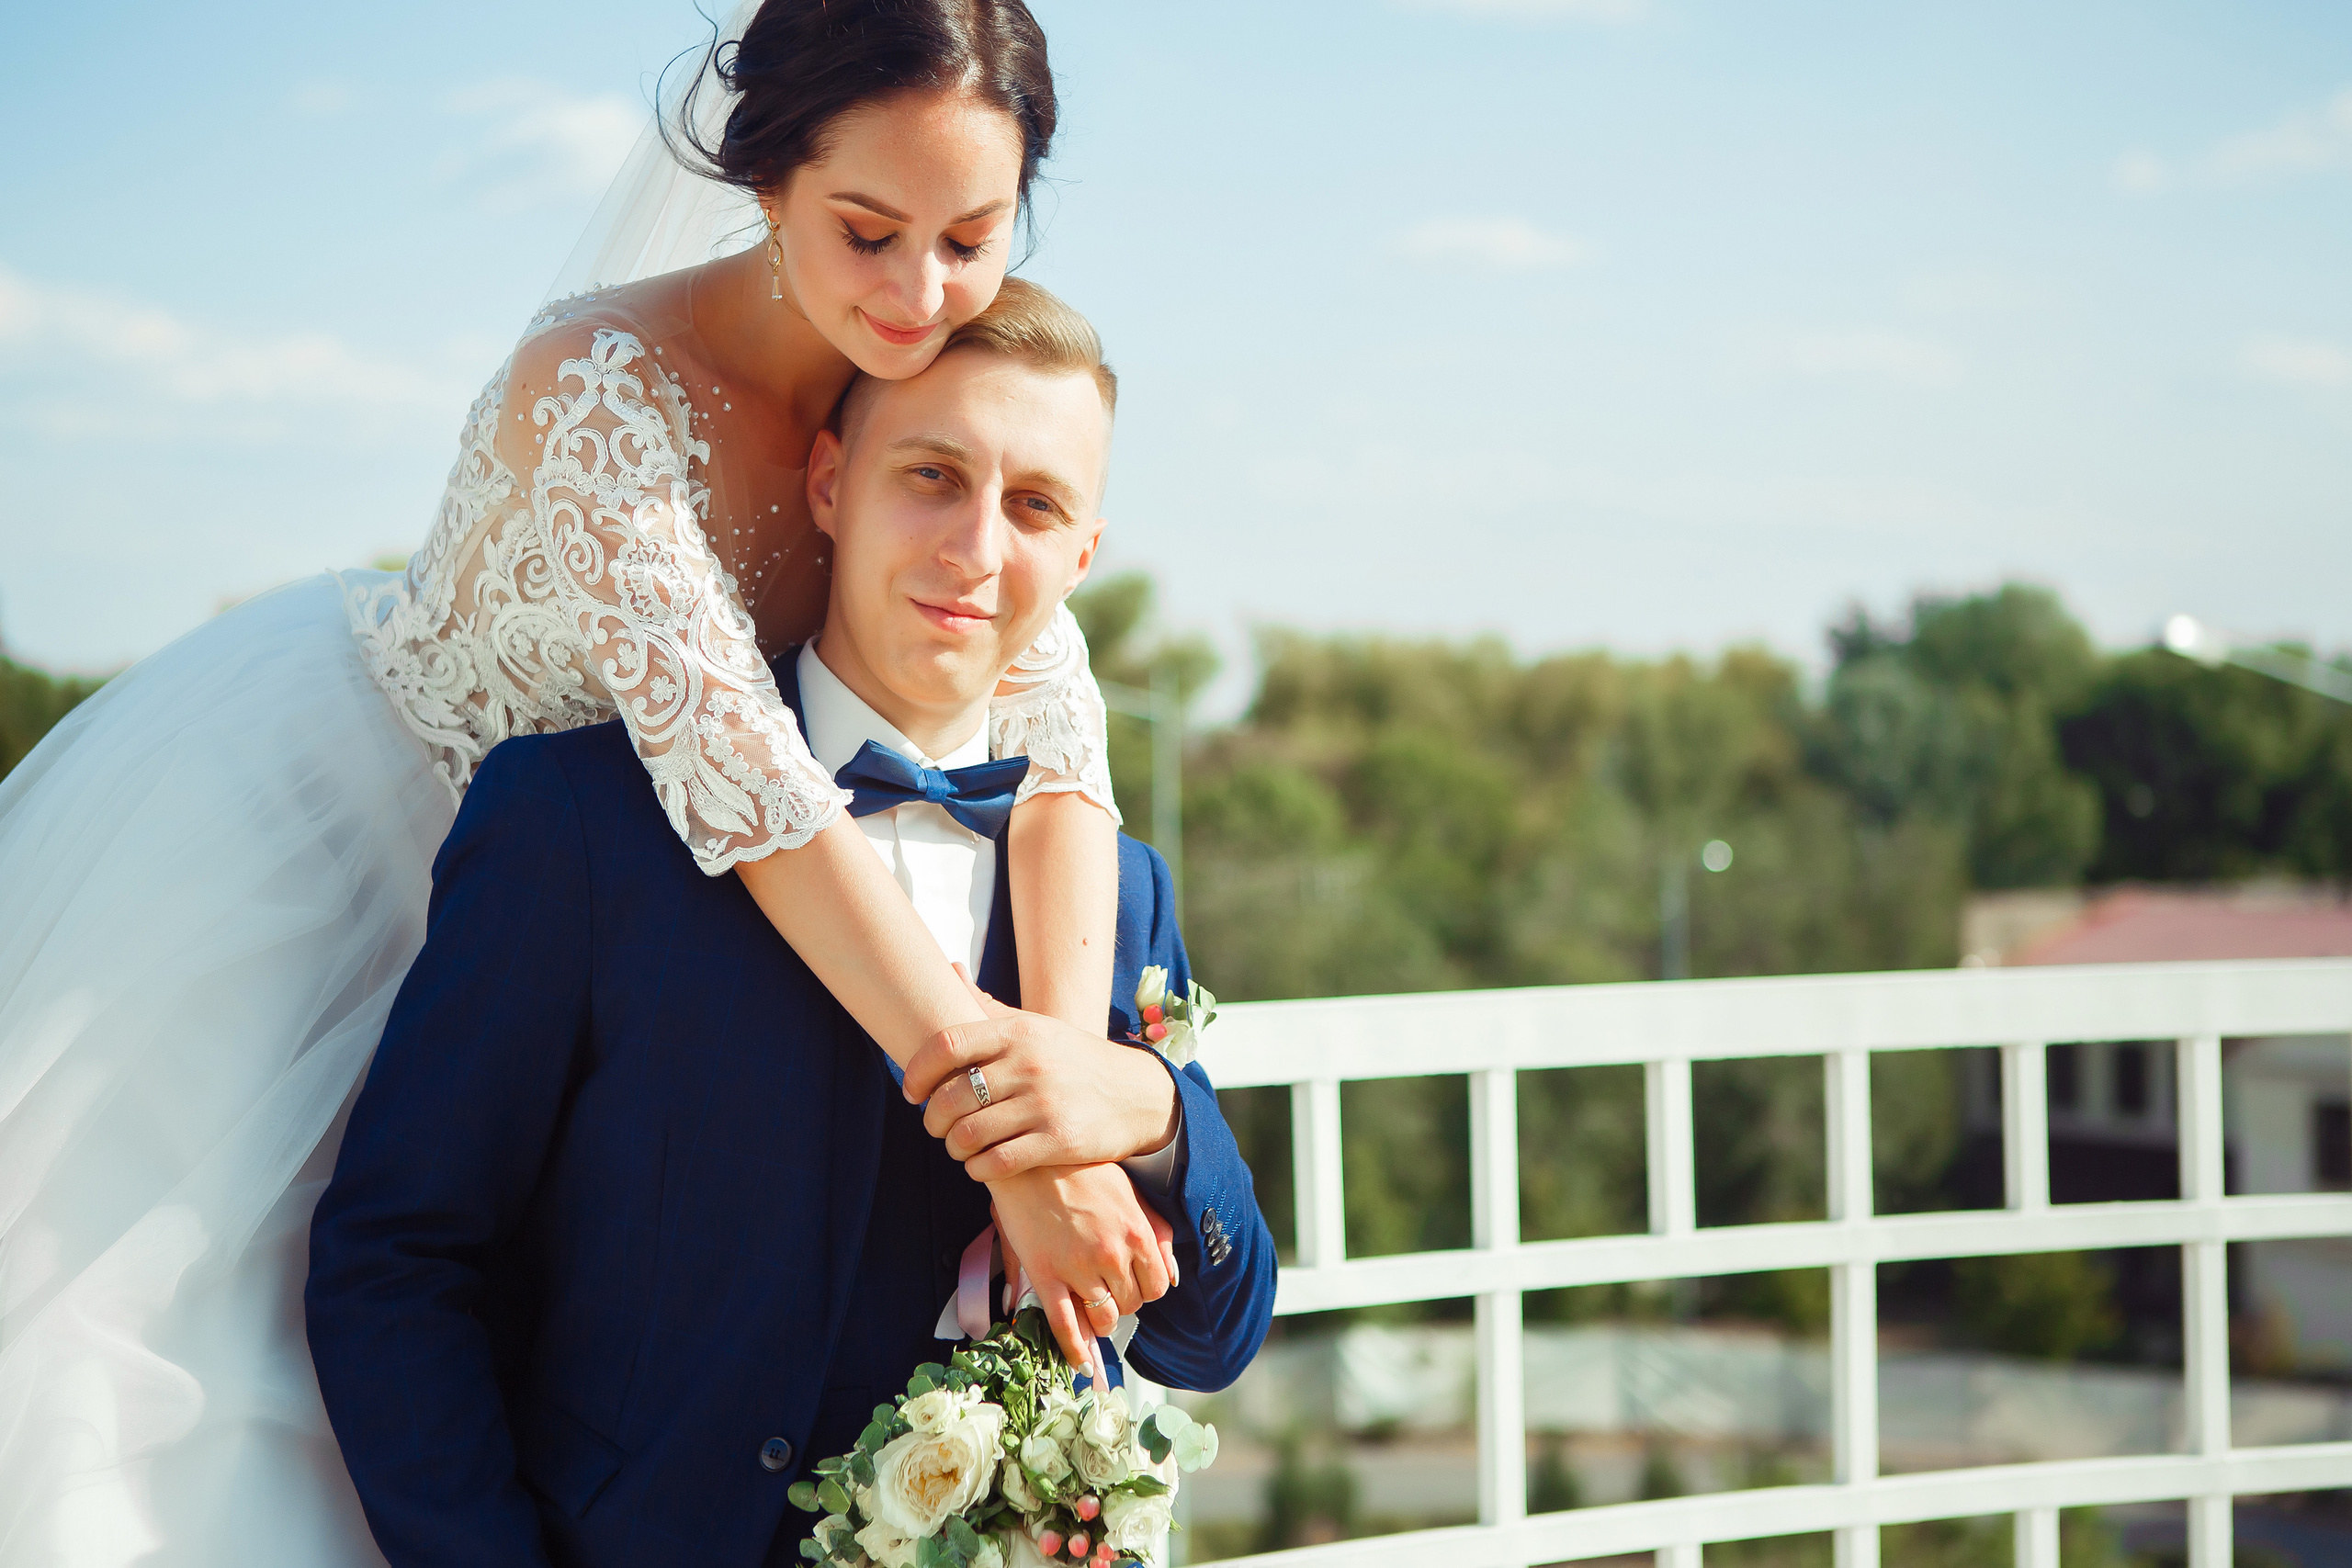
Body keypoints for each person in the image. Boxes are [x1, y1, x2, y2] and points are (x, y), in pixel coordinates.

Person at [0, 0, 1178, 1557]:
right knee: (176, 1394)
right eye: (867, 230)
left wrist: (1067, 1119)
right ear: (765, 178)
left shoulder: (916, 386)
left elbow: (1056, 742)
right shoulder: (598, 391)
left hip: (639, 961)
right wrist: (1004, 1138)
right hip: (363, 869)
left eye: (970, 235)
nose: (921, 295)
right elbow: (748, 787)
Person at [307, 277, 1276, 1567]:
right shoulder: (581, 826)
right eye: (933, 475)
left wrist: (1148, 1110)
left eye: (1036, 504)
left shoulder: (1115, 887)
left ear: (1084, 553)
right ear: (829, 482)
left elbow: (1210, 1331)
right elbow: (398, 1261)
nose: (977, 548)